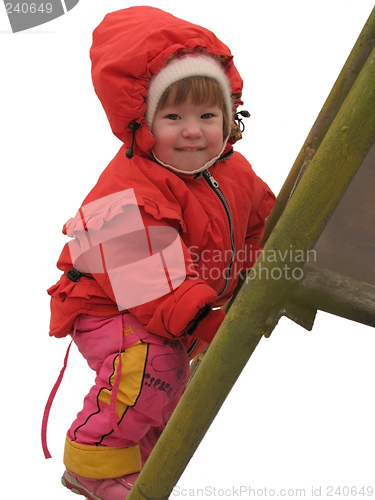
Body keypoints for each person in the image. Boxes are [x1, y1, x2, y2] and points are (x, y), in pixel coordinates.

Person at [43, 6, 276, 500]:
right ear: (142, 122)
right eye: (173, 117)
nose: (193, 131)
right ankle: (93, 461)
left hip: (181, 309)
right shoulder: (123, 193)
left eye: (207, 116)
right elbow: (149, 277)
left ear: (231, 116)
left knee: (167, 388)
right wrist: (205, 318)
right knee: (151, 365)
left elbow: (259, 227)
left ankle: (138, 466)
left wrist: (258, 276)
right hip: (113, 306)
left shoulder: (234, 172)